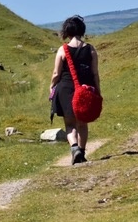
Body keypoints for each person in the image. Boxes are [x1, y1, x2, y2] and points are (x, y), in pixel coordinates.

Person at [49, 15, 101, 165]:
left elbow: (56, 73)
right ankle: (82, 153)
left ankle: (74, 148)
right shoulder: (91, 49)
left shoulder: (63, 50)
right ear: (82, 30)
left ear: (67, 31)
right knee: (82, 123)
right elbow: (95, 73)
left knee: (70, 124)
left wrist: (52, 86)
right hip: (85, 90)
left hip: (66, 90)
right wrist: (98, 91)